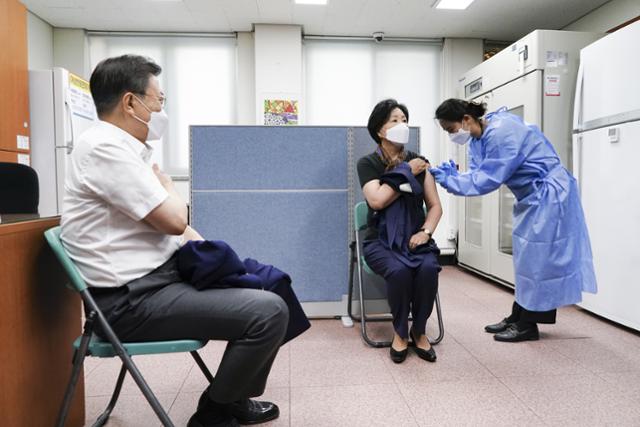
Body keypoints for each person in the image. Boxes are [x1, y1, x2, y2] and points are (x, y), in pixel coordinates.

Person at [60, 54, 305, 427]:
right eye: (158, 100)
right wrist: (172, 188)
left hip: (158, 280)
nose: (161, 109)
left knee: (270, 281)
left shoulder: (123, 149)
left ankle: (233, 395)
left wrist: (217, 256)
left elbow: (171, 224)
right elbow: (175, 219)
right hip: (130, 302)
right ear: (130, 101)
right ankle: (215, 412)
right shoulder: (104, 150)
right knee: (267, 311)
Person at [430, 98, 597, 342]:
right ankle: (518, 316)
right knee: (526, 260)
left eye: (451, 129)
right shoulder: (478, 138)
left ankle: (528, 325)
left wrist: (449, 181)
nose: (451, 135)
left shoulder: (501, 132)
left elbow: (487, 180)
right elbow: (478, 172)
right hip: (532, 197)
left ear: (466, 119)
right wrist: (456, 175)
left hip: (549, 195)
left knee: (537, 261)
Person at [357, 99, 443, 363]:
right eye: (394, 120)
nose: (401, 124)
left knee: (428, 269)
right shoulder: (368, 163)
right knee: (399, 271)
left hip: (416, 238)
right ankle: (400, 333)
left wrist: (426, 232)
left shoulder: (420, 162)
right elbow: (377, 201)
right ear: (380, 130)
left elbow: (435, 206)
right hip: (380, 242)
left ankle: (419, 332)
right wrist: (406, 171)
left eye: (404, 119)